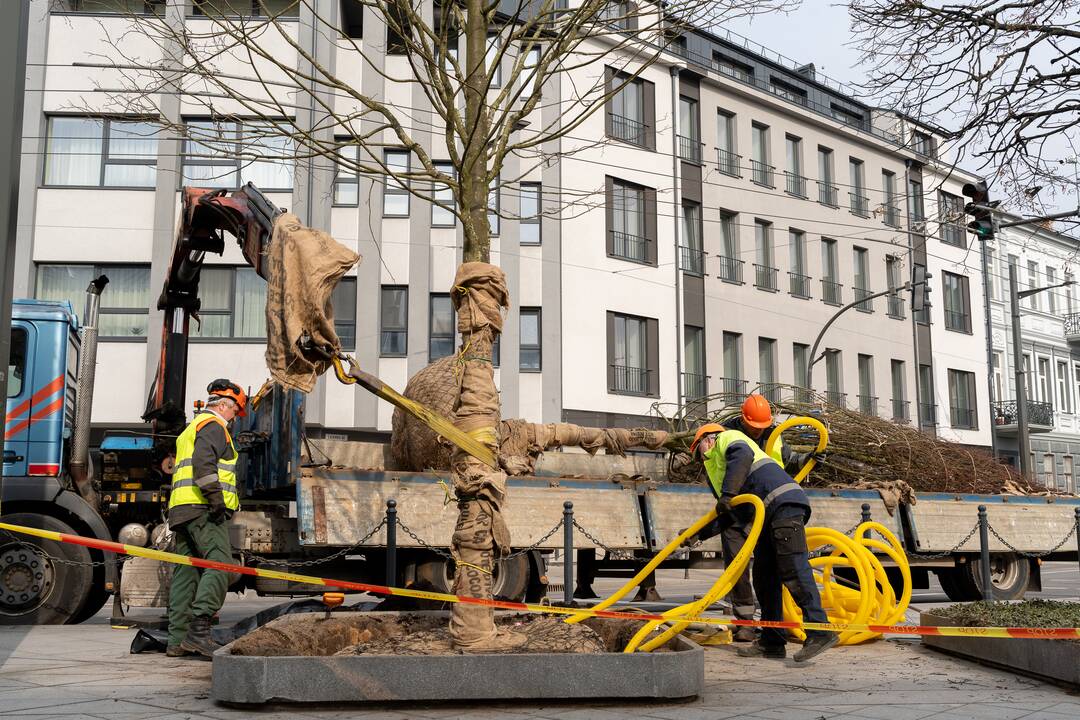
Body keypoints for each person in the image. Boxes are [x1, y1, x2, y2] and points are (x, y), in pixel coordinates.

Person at [685, 423, 838, 663]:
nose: (700, 457)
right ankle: (772, 641)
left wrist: (727, 495)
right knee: (765, 579)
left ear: (709, 438)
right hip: (766, 517)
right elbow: (731, 514)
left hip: (783, 505)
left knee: (794, 570)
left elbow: (742, 456)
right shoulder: (723, 471)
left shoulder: (729, 438)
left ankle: (820, 630)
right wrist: (699, 534)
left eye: (699, 449)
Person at [719, 394, 822, 641]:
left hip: (771, 506)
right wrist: (728, 497)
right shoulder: (729, 434)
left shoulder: (775, 437)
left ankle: (788, 631)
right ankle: (747, 621)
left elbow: (789, 463)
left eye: (762, 427)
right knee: (739, 562)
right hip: (743, 504)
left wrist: (810, 459)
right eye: (753, 427)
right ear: (743, 420)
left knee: (779, 569)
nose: (758, 432)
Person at [165, 379, 247, 658]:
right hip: (202, 508)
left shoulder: (192, 428)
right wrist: (215, 500)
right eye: (235, 412)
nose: (235, 419)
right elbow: (203, 464)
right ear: (224, 405)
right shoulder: (214, 426)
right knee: (221, 565)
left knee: (186, 574)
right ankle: (199, 632)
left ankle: (176, 641)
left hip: (182, 509)